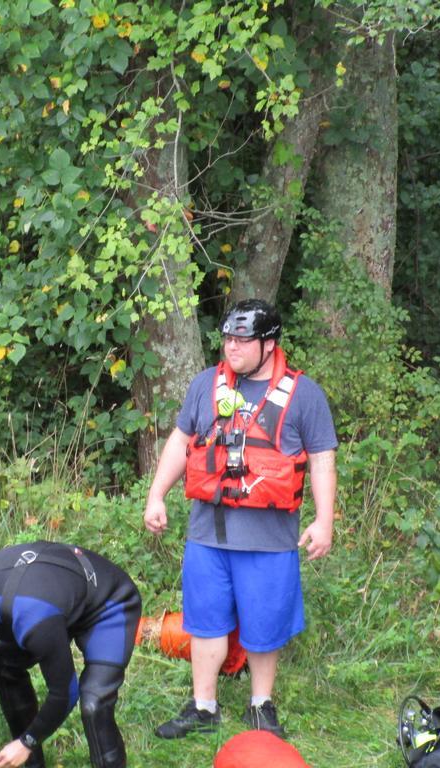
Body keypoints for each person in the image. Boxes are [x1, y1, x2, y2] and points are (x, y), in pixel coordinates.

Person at [143, 299, 337, 739]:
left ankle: (260, 705)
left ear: (269, 345)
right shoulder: (205, 385)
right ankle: (203, 706)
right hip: (207, 535)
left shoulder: (303, 394)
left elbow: (323, 458)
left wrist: (324, 520)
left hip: (269, 539)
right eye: (228, 338)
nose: (231, 347)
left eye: (242, 340)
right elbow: (179, 442)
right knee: (204, 620)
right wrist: (157, 495)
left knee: (265, 623)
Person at [0, 541, 142, 768]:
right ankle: (33, 764)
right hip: (54, 598)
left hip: (107, 603)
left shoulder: (33, 619)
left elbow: (64, 694)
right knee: (3, 666)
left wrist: (26, 742)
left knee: (94, 703)